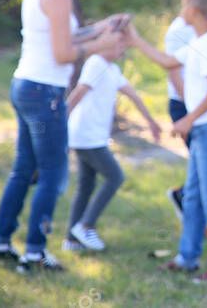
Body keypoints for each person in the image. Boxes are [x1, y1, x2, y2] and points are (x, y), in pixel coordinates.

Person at [0, 0, 125, 273]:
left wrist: (99, 27)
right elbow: (63, 54)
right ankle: (35, 251)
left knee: (23, 169)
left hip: (25, 84)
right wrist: (100, 46)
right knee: (53, 173)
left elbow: (61, 39)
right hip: (44, 92)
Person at [125, 0, 207, 282]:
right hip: (202, 131)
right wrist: (134, 39)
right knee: (192, 198)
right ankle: (187, 257)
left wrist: (188, 120)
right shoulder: (198, 43)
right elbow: (167, 61)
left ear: (192, 9)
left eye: (183, 3)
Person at [64, 43, 163, 252]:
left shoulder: (112, 69)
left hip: (93, 137)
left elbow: (132, 95)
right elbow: (78, 93)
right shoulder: (96, 64)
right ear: (105, 42)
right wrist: (59, 124)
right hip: (86, 135)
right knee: (115, 177)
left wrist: (151, 122)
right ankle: (85, 225)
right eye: (118, 44)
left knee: (86, 186)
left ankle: (71, 240)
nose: (123, 49)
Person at [162, 14, 196, 221]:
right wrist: (192, 111)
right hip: (184, 105)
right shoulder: (179, 31)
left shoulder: (195, 29)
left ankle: (203, 224)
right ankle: (181, 196)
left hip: (193, 106)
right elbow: (173, 71)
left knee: (206, 167)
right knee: (206, 168)